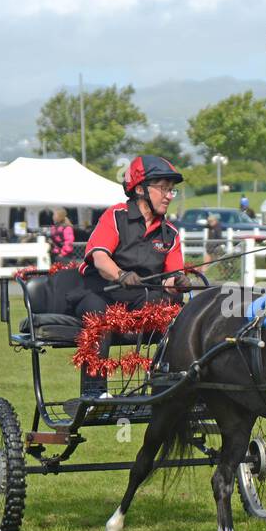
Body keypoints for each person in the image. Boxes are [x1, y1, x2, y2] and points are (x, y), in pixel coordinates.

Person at [70, 154, 185, 396]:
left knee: (177, 314)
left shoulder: (170, 233)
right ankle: (93, 393)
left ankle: (168, 387)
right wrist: (121, 274)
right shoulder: (116, 215)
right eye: (163, 188)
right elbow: (100, 257)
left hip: (140, 296)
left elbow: (169, 279)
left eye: (171, 190)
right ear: (140, 189)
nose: (168, 196)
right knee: (98, 316)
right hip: (101, 291)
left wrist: (179, 282)